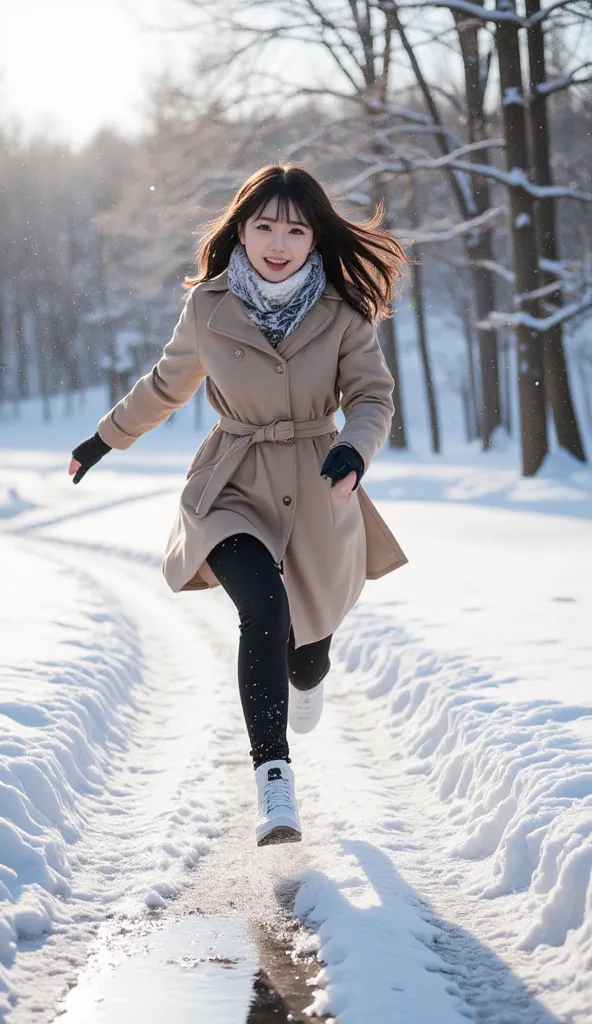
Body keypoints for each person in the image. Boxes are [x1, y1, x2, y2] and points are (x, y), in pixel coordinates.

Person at [69, 164, 409, 847]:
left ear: (315, 238)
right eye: (263, 226)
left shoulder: (344, 312)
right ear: (241, 231)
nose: (277, 241)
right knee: (263, 605)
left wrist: (355, 451)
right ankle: (274, 781)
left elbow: (372, 396)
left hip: (319, 482)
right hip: (231, 482)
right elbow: (166, 385)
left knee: (306, 649)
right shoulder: (208, 306)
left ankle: (311, 669)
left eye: (295, 228)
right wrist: (104, 438)